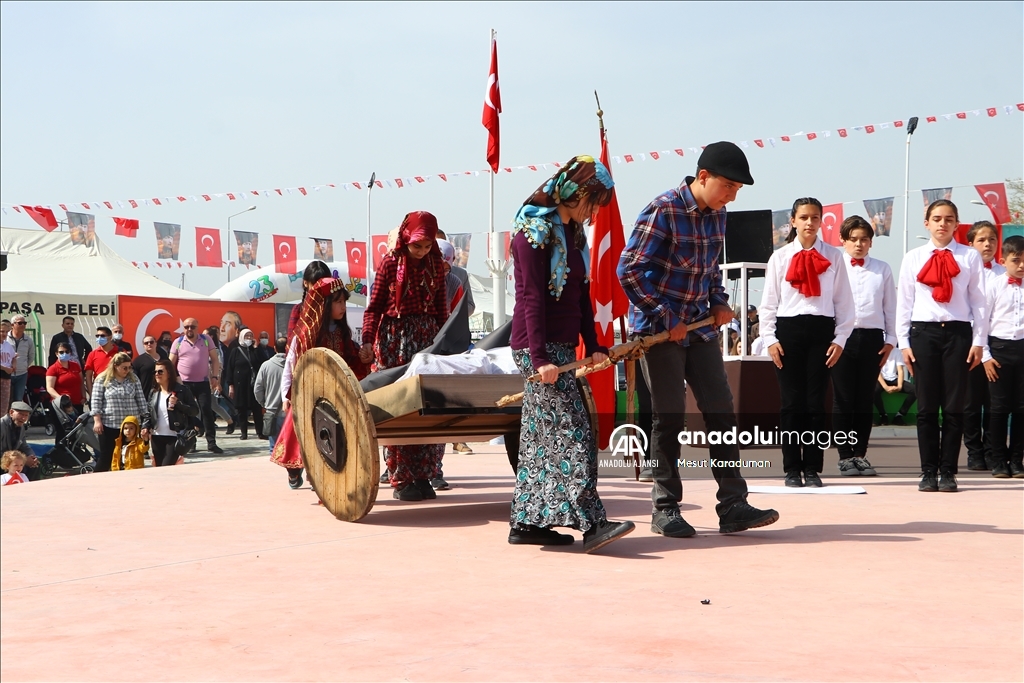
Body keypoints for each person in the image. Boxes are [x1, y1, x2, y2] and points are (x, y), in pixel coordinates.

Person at [618, 141, 779, 536]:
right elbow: (629, 271)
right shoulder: (664, 209)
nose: (732, 195)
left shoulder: (718, 216)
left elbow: (710, 271)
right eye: (728, 186)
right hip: (660, 332)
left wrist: (720, 301)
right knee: (669, 415)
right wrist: (665, 316)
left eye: (738, 190)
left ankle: (733, 504)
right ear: (703, 177)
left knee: (721, 410)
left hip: (700, 328)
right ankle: (665, 507)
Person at [509, 155, 634, 553]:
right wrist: (540, 356)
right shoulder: (532, 232)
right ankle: (593, 523)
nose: (595, 211)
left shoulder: (573, 233)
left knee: (539, 440)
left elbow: (580, 295)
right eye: (592, 201)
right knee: (575, 433)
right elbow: (531, 297)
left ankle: (527, 522)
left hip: (562, 348)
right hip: (537, 349)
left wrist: (594, 346)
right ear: (573, 190)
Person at [760, 197, 855, 488]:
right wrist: (770, 339)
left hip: (821, 331)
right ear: (793, 221)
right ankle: (791, 468)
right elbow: (768, 304)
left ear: (821, 221)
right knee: (791, 403)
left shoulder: (835, 257)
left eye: (815, 218)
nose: (810, 223)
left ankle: (812, 468)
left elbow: (844, 302)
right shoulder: (779, 258)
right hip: (788, 331)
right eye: (804, 217)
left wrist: (840, 339)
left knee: (815, 403)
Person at [896, 200, 987, 493]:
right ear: (927, 223)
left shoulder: (969, 257)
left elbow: (980, 301)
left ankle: (948, 471)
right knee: (925, 407)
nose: (942, 224)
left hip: (959, 333)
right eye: (936, 219)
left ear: (956, 224)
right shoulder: (913, 257)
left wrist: (979, 341)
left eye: (949, 219)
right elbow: (904, 302)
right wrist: (903, 343)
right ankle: (927, 471)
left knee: (953, 407)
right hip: (923, 334)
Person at [360, 211, 449, 501]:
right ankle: (401, 479)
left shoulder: (437, 264)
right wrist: (366, 340)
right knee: (399, 409)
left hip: (426, 342)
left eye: (426, 246)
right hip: (393, 344)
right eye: (417, 246)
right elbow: (373, 307)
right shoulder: (389, 263)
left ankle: (423, 475)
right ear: (405, 239)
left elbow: (441, 309)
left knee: (426, 409)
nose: (422, 252)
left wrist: (445, 342)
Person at [276, 280, 370, 489]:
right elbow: (291, 364)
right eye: (338, 302)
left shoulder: (343, 332)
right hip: (310, 395)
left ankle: (321, 477)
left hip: (337, 397)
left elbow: (352, 361)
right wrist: (285, 396)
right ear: (325, 304)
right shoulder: (305, 334)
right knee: (302, 436)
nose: (343, 306)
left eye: (344, 301)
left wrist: (364, 359)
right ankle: (296, 471)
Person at [830, 216, 896, 477]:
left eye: (864, 239)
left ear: (871, 242)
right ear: (843, 240)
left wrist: (891, 340)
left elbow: (890, 306)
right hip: (841, 339)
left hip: (872, 339)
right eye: (853, 239)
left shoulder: (882, 268)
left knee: (865, 399)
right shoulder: (834, 266)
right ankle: (845, 456)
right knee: (843, 399)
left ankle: (860, 454)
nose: (859, 244)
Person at [963, 221, 1005, 470]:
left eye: (991, 239)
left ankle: (992, 450)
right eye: (981, 240)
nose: (987, 244)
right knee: (970, 402)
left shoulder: (1004, 273)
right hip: (969, 346)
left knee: (994, 402)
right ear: (970, 244)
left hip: (997, 348)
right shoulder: (964, 273)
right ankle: (974, 451)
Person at [982, 235, 1024, 478]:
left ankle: (1016, 460)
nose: (1021, 266)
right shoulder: (994, 286)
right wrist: (986, 356)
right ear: (1003, 260)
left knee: (1020, 408)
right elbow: (982, 324)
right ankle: (998, 459)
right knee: (998, 408)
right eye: (1016, 260)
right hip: (999, 350)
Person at [437, 237, 474, 461]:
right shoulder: (414, 278)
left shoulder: (457, 280)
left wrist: (451, 321)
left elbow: (466, 307)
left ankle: (457, 438)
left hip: (449, 345)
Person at [169, 319, 223, 454]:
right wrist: (175, 379)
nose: (189, 329)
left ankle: (212, 443)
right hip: (184, 383)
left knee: (206, 411)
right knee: (187, 413)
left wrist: (215, 376)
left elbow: (215, 360)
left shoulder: (206, 340)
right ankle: (190, 443)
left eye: (192, 326)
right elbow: (170, 363)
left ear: (197, 327)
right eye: (186, 327)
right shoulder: (178, 342)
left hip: (203, 382)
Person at [91, 352, 150, 473]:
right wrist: (97, 420)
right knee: (107, 456)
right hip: (110, 424)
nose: (127, 370)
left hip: (130, 426)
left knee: (130, 456)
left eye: (129, 367)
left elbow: (141, 399)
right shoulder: (102, 379)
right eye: (124, 367)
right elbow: (96, 401)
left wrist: (146, 421)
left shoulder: (133, 378)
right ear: (115, 365)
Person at [147, 360, 199, 468]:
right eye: (155, 372)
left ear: (169, 373)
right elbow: (149, 412)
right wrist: (145, 427)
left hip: (174, 436)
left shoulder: (182, 390)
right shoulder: (154, 392)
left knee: (167, 467)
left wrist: (179, 404)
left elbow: (194, 411)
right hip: (157, 436)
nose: (157, 374)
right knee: (159, 468)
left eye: (160, 372)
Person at [223, 328, 266, 440]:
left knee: (256, 409)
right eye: (246, 336)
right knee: (241, 409)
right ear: (241, 337)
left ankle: (260, 432)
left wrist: (257, 349)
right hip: (240, 385)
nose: (249, 338)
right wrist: (231, 385)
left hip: (254, 384)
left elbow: (263, 363)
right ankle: (244, 433)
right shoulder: (236, 351)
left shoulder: (255, 350)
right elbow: (230, 368)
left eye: (250, 336)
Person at [254, 337, 287, 453]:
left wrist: (265, 403)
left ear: (274, 348)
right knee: (289, 447)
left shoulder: (266, 365)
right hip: (290, 412)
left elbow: (257, 389)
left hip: (272, 411)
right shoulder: (295, 365)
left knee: (274, 449)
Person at [287, 261, 333, 343]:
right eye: (315, 285)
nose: (319, 289)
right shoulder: (298, 310)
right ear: (305, 283)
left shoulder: (333, 308)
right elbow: (292, 343)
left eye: (323, 285)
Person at [205, 325, 237, 435]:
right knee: (208, 405)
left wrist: (217, 381)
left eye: (205, 334)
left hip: (211, 381)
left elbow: (219, 367)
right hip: (202, 380)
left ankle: (230, 421)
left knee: (212, 405)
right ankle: (198, 427)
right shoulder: (201, 349)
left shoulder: (216, 351)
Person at [874, 348, 917, 426]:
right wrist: (885, 386)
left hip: (894, 379)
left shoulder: (897, 351)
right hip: (881, 380)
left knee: (915, 390)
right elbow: (876, 371)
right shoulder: (878, 350)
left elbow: (900, 370)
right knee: (873, 391)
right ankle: (883, 415)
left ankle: (899, 415)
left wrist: (899, 386)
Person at [0, 402, 39, 481]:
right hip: (3, 460)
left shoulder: (21, 427)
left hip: (12, 460)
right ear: (11, 412)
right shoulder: (1, 425)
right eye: (21, 414)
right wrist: (22, 461)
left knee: (34, 466)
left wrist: (32, 457)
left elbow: (24, 446)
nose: (24, 418)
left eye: (26, 415)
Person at [45, 342, 84, 412]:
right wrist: (61, 398)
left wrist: (84, 397)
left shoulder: (76, 365)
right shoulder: (52, 369)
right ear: (57, 354)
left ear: (70, 353)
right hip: (61, 405)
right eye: (61, 352)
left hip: (77, 403)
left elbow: (81, 383)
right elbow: (49, 388)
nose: (64, 354)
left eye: (67, 351)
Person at [84, 326, 120, 398]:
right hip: (99, 391)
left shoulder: (120, 352)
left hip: (116, 390)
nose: (99, 338)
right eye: (97, 336)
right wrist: (91, 394)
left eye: (102, 335)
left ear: (110, 337)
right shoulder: (93, 354)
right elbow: (88, 376)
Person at [7, 314, 33, 408]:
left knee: (18, 399)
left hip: (22, 374)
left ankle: (15, 421)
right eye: (20, 323)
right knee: (6, 399)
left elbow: (31, 356)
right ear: (12, 325)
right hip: (6, 373)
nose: (23, 325)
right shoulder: (5, 339)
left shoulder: (28, 340)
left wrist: (24, 365)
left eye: (24, 323)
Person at [0, 320, 14, 414]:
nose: (4, 334)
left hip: (6, 377)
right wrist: (5, 368)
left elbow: (14, 356)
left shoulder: (7, 345)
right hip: (3, 372)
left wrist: (13, 366)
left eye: (6, 332)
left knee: (4, 406)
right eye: (1, 331)